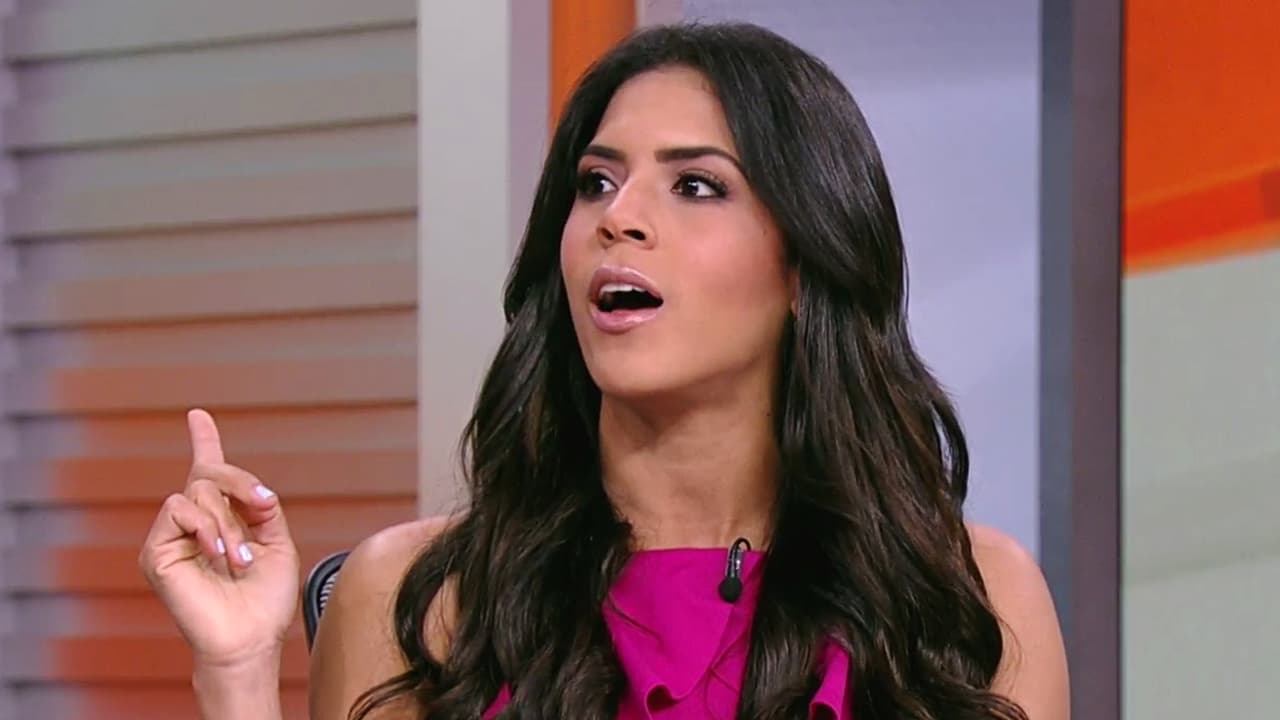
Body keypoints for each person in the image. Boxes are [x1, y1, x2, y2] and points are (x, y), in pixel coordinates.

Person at [139, 22, 1069, 720]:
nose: (619, 217)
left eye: (695, 185)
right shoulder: (418, 597)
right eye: (596, 182)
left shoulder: (969, 600)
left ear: (803, 265)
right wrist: (237, 671)